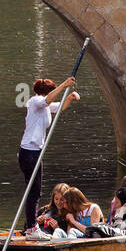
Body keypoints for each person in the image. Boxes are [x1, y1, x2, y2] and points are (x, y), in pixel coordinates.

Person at [17, 75, 80, 237]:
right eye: (52, 93)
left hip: (36, 153)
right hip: (28, 152)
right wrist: (65, 84)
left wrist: (70, 97)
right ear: (46, 92)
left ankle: (32, 227)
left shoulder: (45, 106)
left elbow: (59, 107)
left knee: (35, 191)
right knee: (34, 191)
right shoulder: (35, 102)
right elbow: (47, 100)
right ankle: (32, 228)